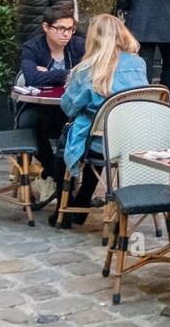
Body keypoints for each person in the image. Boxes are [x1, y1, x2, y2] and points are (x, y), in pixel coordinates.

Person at [58, 14, 148, 227]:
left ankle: (66, 206)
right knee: (95, 133)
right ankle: (82, 201)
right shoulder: (138, 64)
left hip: (101, 144)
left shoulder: (88, 69)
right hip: (135, 140)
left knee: (67, 141)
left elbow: (69, 107)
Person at [17, 6, 87, 200]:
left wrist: (47, 74)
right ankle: (55, 173)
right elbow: (31, 78)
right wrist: (68, 74)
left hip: (69, 109)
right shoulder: (33, 47)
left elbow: (88, 74)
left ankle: (59, 177)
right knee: (28, 123)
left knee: (81, 126)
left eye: (70, 29)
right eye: (61, 28)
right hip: (38, 108)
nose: (66, 34)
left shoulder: (79, 46)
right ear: (46, 27)